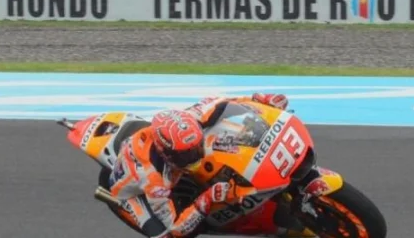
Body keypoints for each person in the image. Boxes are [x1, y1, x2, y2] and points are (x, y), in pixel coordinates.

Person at [105, 92, 316, 238]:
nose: (195, 157)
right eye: (186, 155)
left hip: (169, 163)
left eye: (196, 148)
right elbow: (176, 227)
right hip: (129, 193)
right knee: (168, 236)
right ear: (166, 153)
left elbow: (230, 102)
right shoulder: (153, 179)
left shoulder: (196, 115)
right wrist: (207, 198)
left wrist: (260, 100)